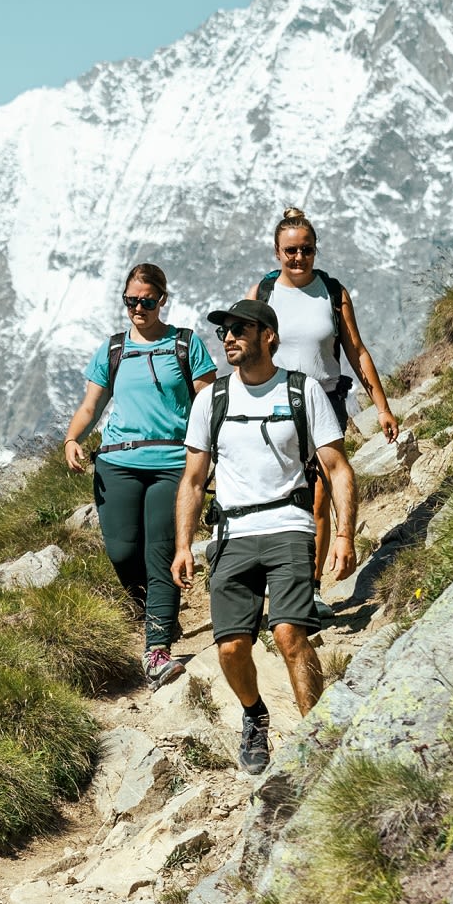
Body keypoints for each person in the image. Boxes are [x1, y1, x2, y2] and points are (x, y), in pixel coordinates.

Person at [169, 296, 356, 774]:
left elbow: (336, 468)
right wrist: (183, 546)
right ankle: (255, 715)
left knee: (290, 631)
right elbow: (192, 480)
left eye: (240, 329)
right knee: (231, 647)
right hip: (231, 534)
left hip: (289, 526)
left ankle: (318, 739)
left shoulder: (302, 390)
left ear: (267, 336)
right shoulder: (211, 400)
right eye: (225, 330)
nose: (228, 337)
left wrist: (343, 536)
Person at [63, 262, 212, 686]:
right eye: (131, 301)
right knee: (122, 552)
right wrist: (73, 439)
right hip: (116, 462)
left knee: (160, 553)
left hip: (172, 465)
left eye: (146, 301)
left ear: (162, 300)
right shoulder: (112, 349)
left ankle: (157, 646)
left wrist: (209, 452)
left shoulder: (186, 345)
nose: (138, 309)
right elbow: (91, 406)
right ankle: (156, 614)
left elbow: (207, 402)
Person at [252, 207, 397, 578]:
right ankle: (283, 576)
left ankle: (311, 588)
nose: (298, 257)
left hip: (325, 402)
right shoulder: (263, 293)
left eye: (307, 250)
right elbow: (246, 350)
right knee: (280, 495)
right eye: (291, 251)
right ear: (277, 252)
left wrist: (381, 407)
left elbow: (356, 350)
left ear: (315, 251)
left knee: (317, 498)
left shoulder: (333, 293)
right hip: (274, 403)